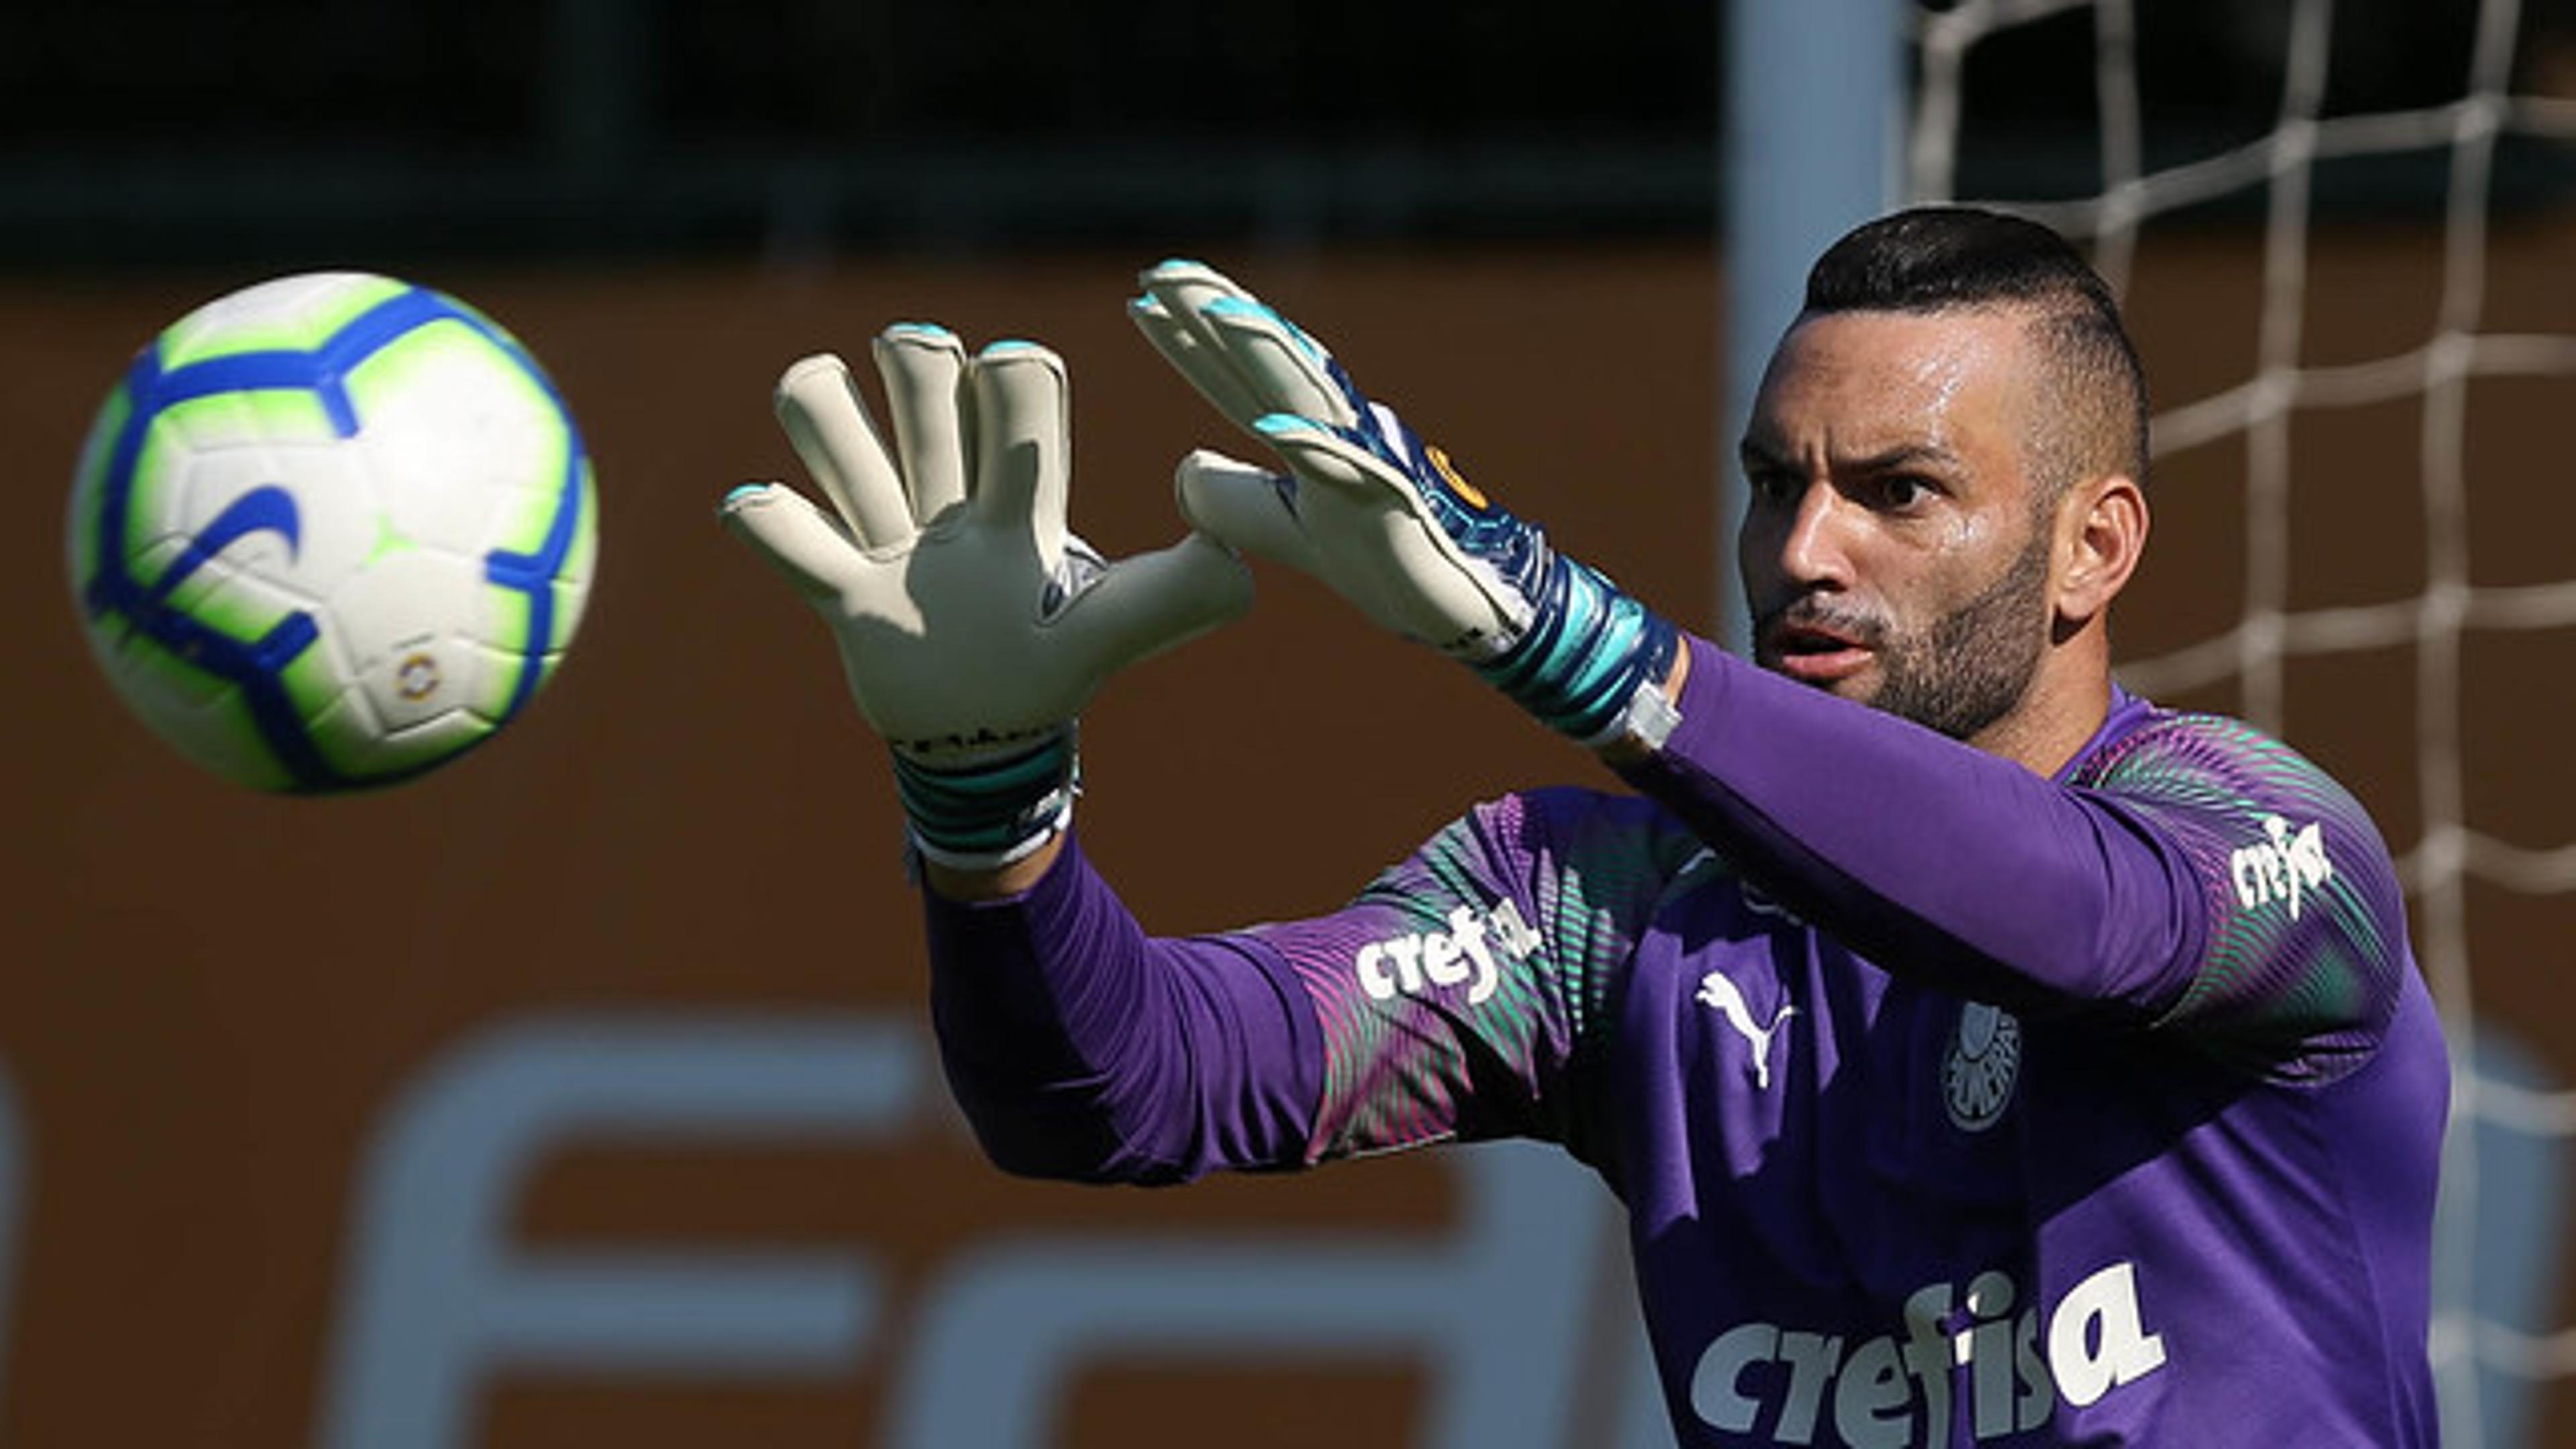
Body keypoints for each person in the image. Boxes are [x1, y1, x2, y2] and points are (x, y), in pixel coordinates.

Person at [718, 207, 2446, 1446]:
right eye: (1779, 483)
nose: (1804, 553)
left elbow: (2063, 911)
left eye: (1897, 492)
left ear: (2097, 548)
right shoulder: (1606, 912)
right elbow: (1125, 1089)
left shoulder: (2258, 854)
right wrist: (985, 801)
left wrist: (1566, 635)